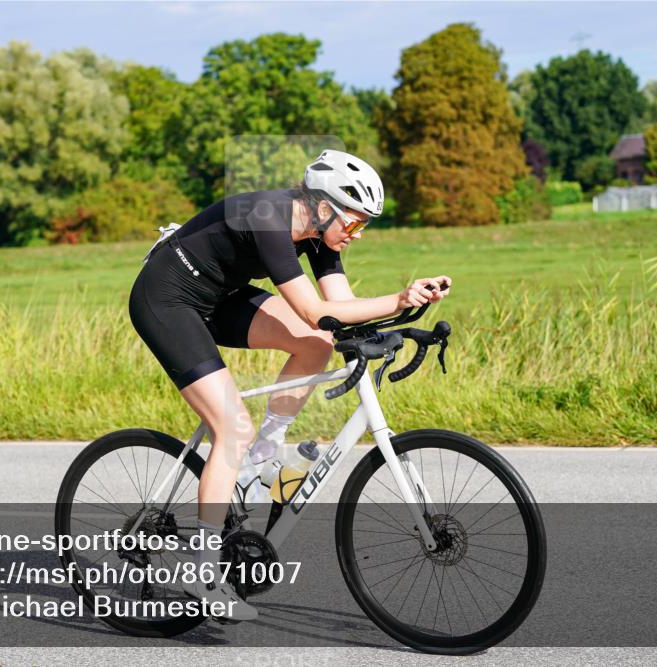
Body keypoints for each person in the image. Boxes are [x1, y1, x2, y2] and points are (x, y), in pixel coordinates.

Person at [128, 149, 451, 621]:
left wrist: (404, 314)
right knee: (231, 427)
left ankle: (263, 455)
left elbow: (342, 309)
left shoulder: (323, 235)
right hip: (167, 297)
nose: (355, 235)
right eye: (355, 223)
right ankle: (201, 571)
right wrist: (397, 298)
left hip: (220, 296)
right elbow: (314, 310)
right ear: (324, 207)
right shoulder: (268, 216)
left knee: (317, 346)